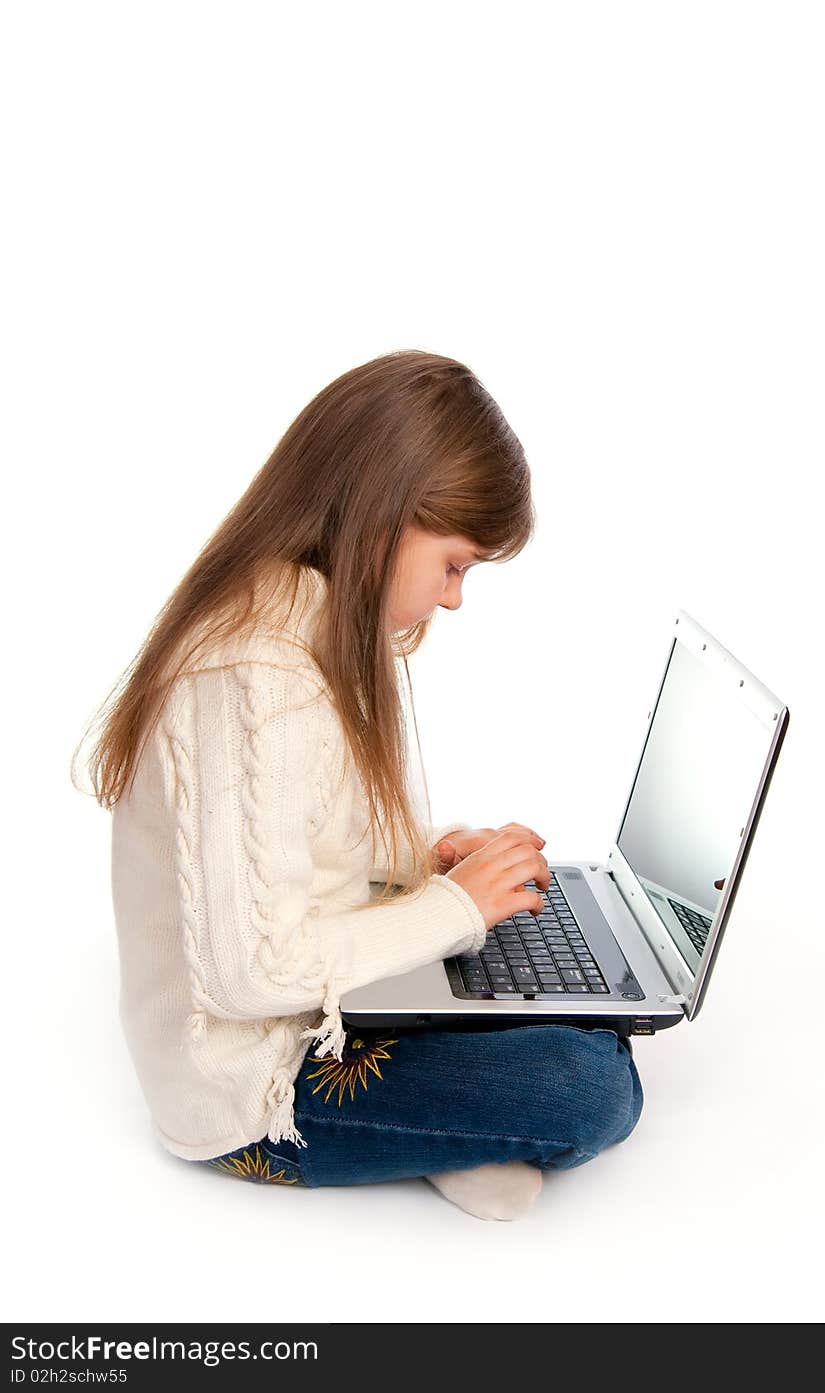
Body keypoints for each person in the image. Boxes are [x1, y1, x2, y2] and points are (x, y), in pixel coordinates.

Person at [74, 349, 643, 1221]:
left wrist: (425, 862)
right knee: (592, 1083)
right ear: (383, 519)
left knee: (552, 1000)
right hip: (251, 1087)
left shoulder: (304, 616)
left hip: (324, 1000)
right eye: (454, 564)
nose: (454, 598)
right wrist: (454, 911)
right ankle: (449, 1132)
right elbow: (249, 973)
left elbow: (298, 836)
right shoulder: (253, 675)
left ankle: (442, 1129)